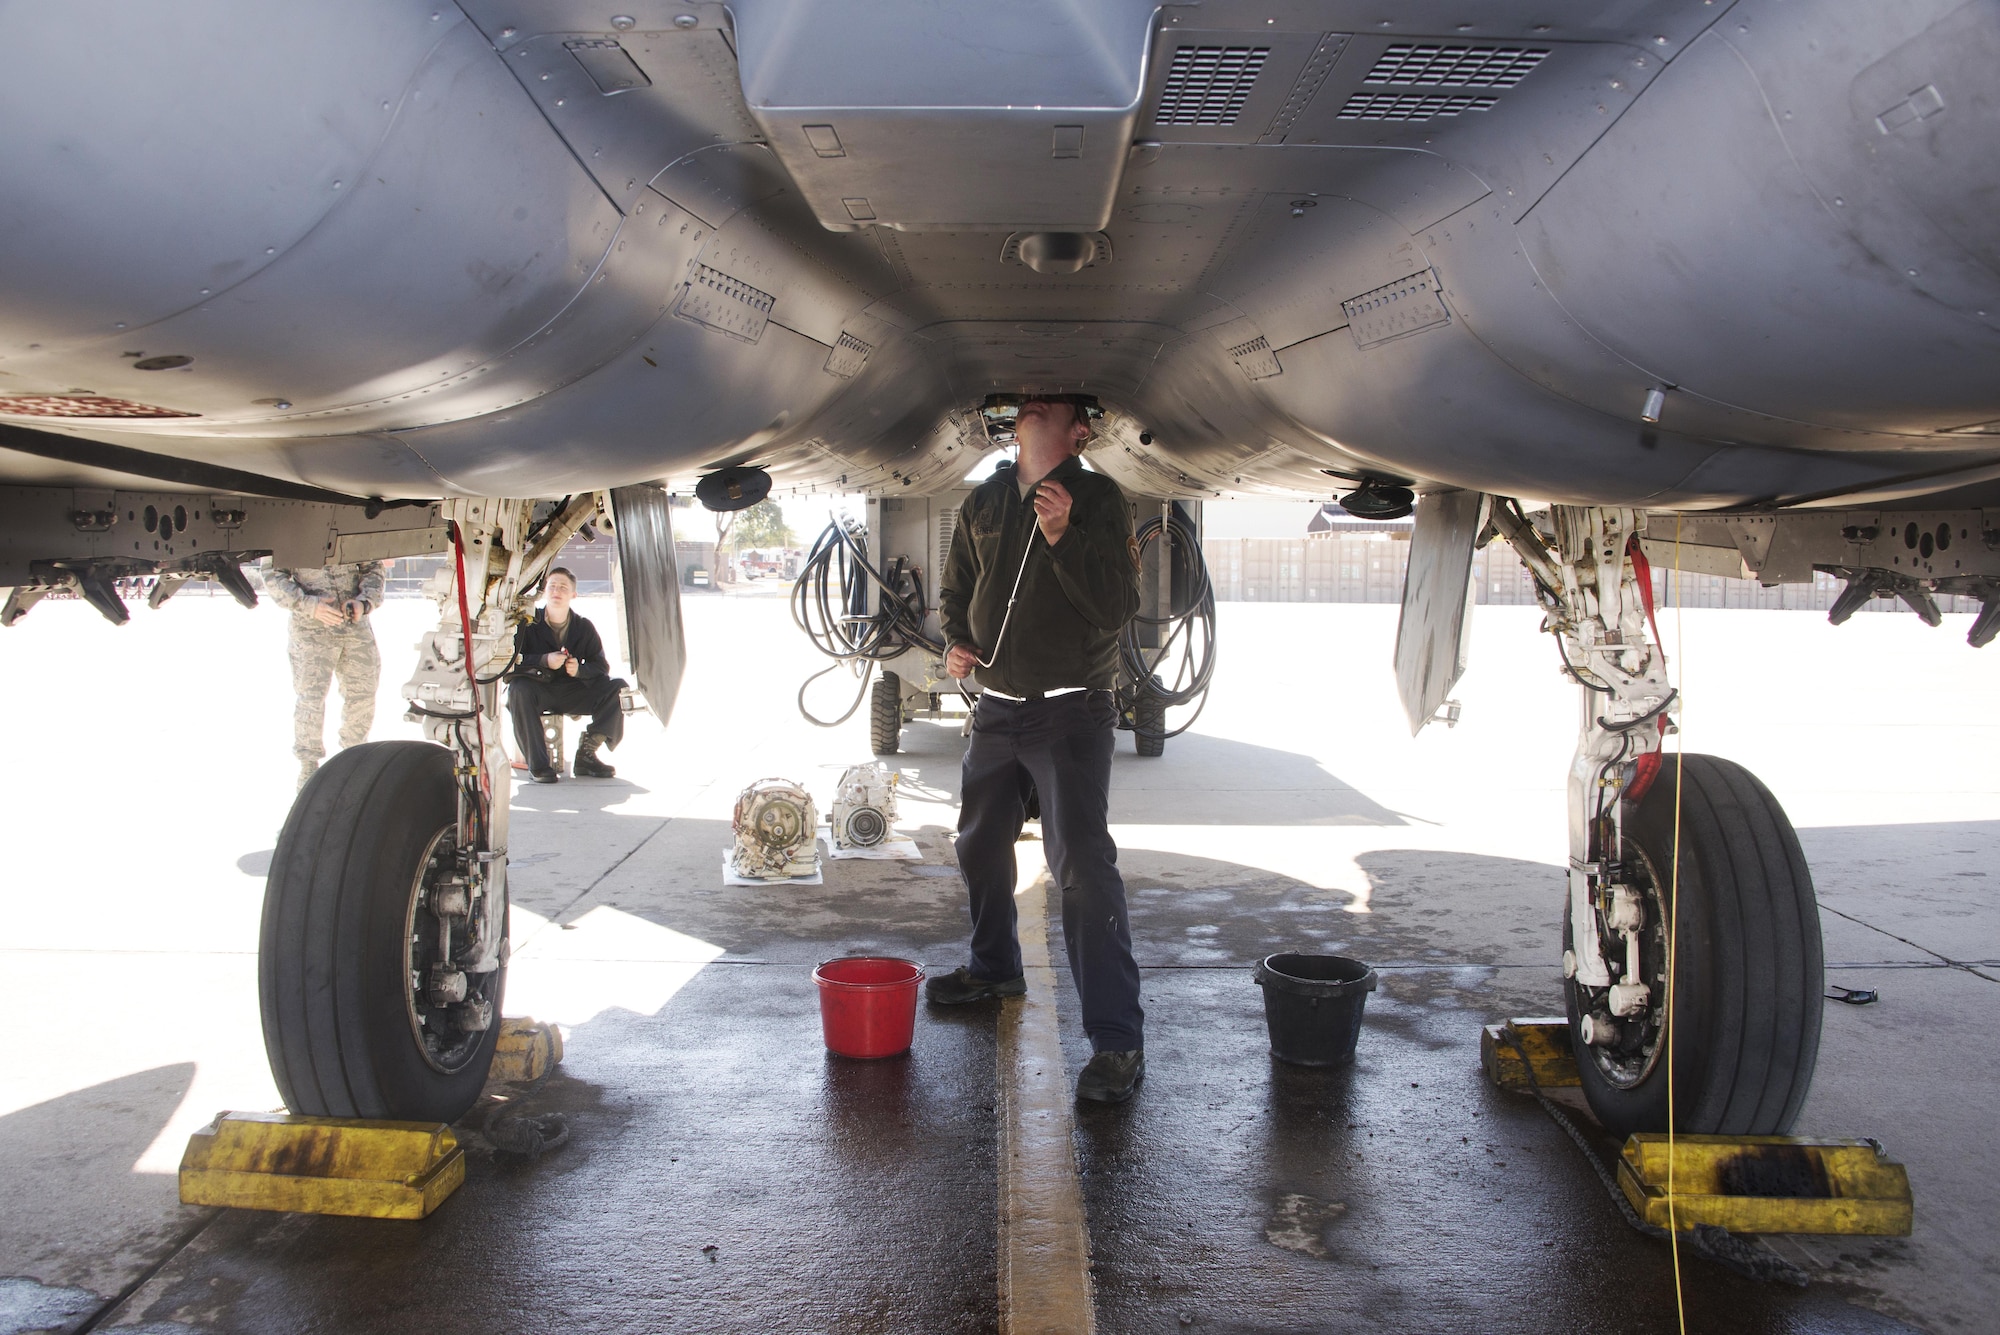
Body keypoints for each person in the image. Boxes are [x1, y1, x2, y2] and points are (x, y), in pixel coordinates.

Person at [932, 395, 1145, 1103]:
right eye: (1025, 403)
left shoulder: (1099, 499)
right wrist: (956, 640)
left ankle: (1116, 1041)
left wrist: (1062, 536)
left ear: (1076, 430)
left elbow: (1114, 606)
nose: (1028, 408)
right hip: (996, 709)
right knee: (978, 843)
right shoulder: (987, 499)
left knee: (1080, 865)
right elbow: (956, 590)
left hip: (1070, 712)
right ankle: (995, 966)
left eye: (1046, 405)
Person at [265, 560, 385, 790]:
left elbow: (373, 567)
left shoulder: (353, 525)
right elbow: (272, 574)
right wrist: (308, 604)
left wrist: (364, 603)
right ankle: (309, 769)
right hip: (311, 631)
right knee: (311, 699)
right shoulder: (289, 529)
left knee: (363, 694)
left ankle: (354, 758)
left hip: (354, 627)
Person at [507, 566, 625, 783]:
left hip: (572, 690)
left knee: (618, 688)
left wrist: (579, 670)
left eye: (563, 587)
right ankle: (538, 764)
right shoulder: (528, 624)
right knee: (518, 689)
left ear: (573, 594)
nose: (556, 591)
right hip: (538, 689)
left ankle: (587, 755)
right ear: (544, 592)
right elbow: (511, 660)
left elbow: (600, 667)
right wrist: (544, 660)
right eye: (552, 586)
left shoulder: (583, 627)